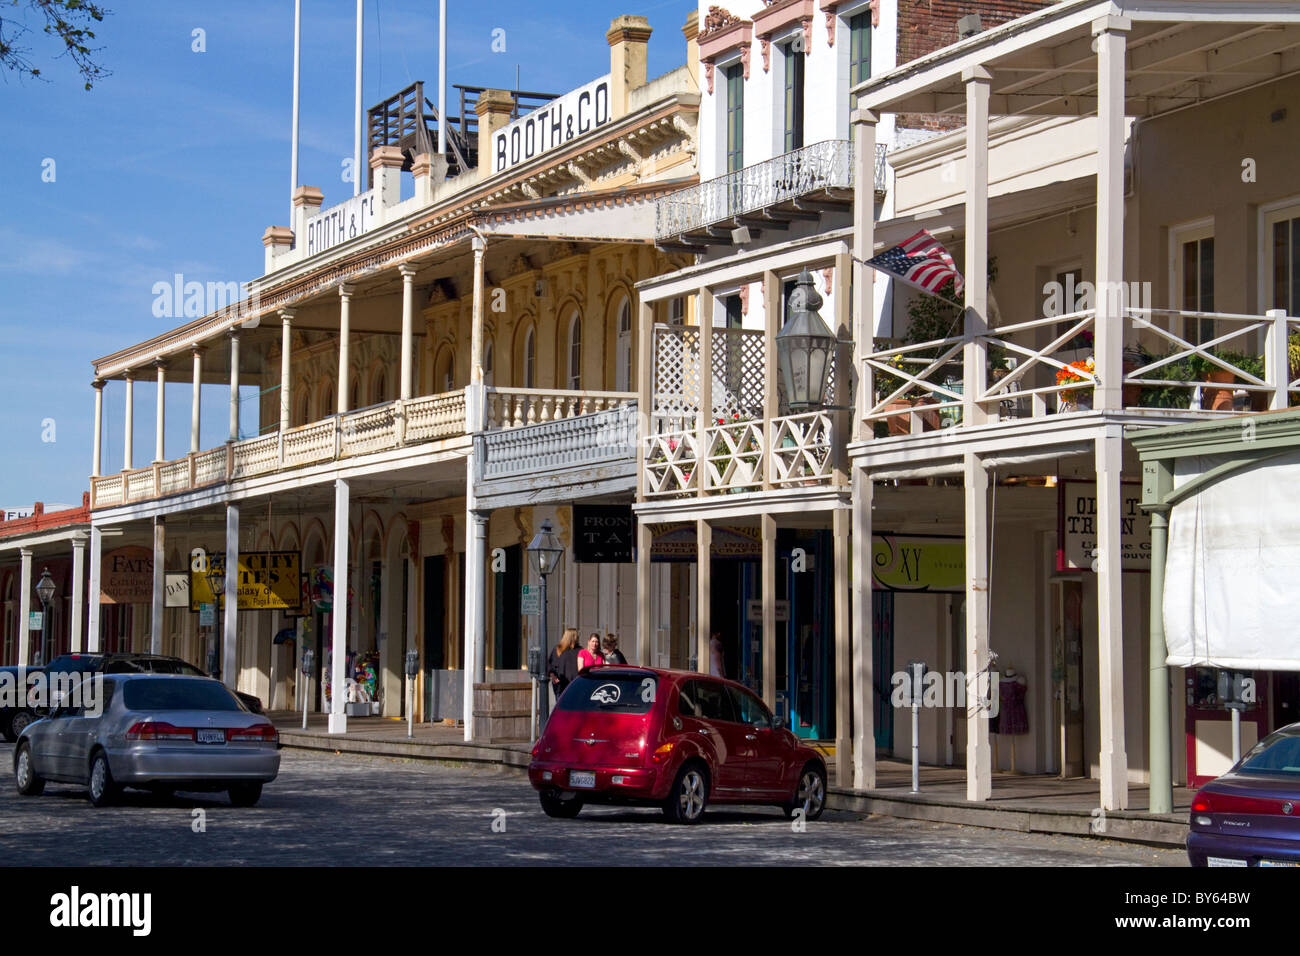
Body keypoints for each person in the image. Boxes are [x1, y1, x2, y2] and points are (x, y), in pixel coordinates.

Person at [548, 628, 579, 698]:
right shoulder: (558, 649)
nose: (578, 638)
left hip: (575, 685)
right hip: (560, 686)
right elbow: (550, 664)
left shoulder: (579, 650)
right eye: (576, 636)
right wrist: (553, 676)